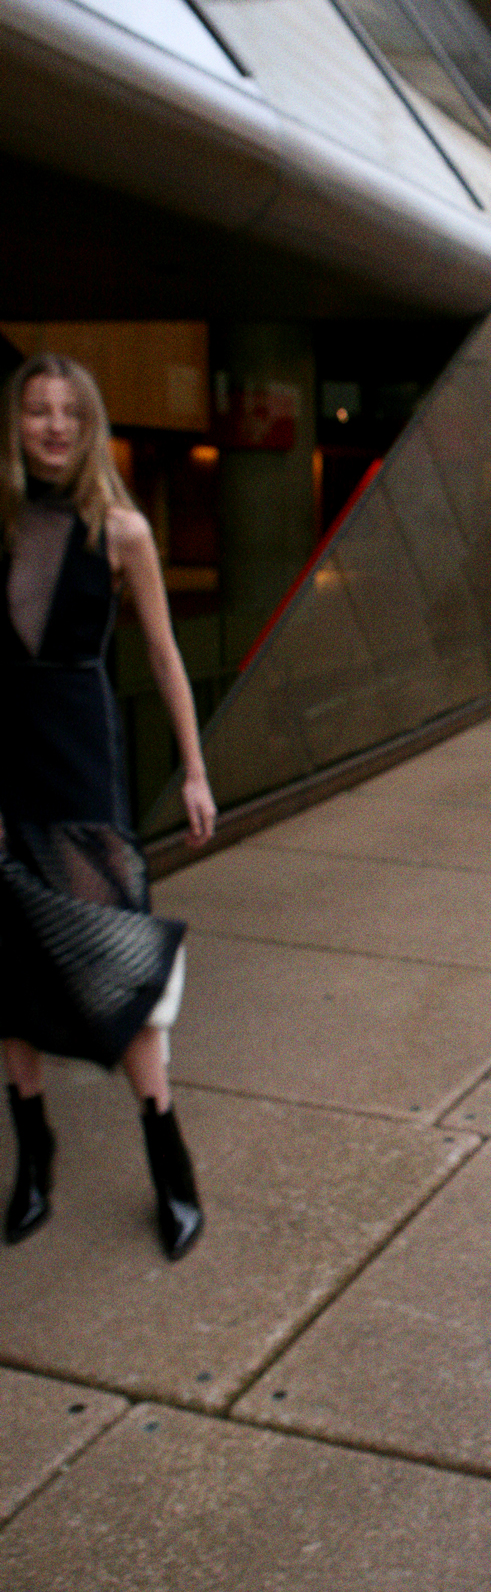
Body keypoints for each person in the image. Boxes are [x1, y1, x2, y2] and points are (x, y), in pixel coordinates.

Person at [1, 352, 216, 1260]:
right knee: (7, 967)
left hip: (81, 760)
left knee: (116, 955)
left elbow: (166, 659)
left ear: (88, 426)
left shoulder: (121, 529)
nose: (51, 425)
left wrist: (196, 770)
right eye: (35, 410)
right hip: (4, 759)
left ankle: (170, 1163)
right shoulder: (0, 523)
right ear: (15, 425)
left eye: (67, 412)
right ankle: (35, 1158)